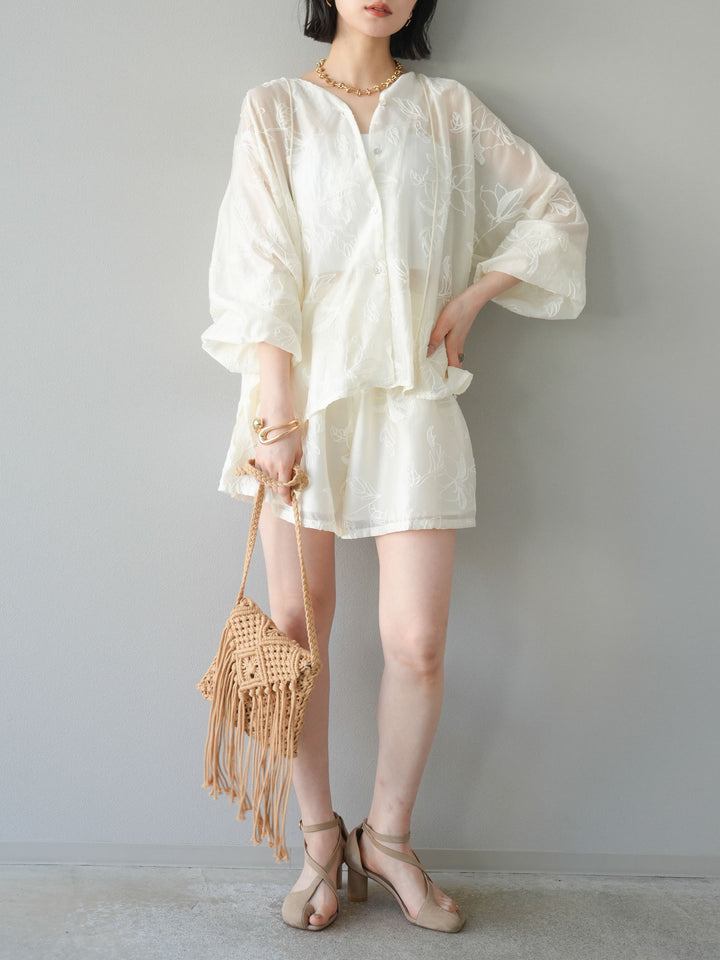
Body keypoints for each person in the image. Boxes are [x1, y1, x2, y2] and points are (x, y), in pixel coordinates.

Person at [201, 0, 587, 934]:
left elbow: (554, 208)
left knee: (417, 641)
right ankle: (318, 840)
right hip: (302, 401)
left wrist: (475, 295)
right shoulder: (275, 109)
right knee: (297, 632)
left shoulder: (448, 111)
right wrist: (277, 415)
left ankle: (389, 839)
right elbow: (259, 264)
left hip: (412, 399)